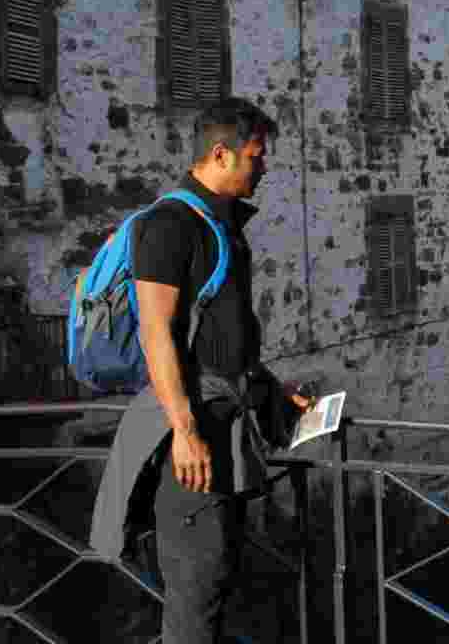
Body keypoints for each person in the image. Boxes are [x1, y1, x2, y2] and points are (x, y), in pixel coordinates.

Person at [89, 97, 310, 644]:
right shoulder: (170, 224)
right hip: (191, 440)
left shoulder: (219, 226)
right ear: (220, 154)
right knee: (196, 593)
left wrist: (271, 390)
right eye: (256, 155)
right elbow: (156, 332)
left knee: (214, 580)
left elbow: (221, 339)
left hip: (220, 429)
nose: (264, 166)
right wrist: (185, 433)